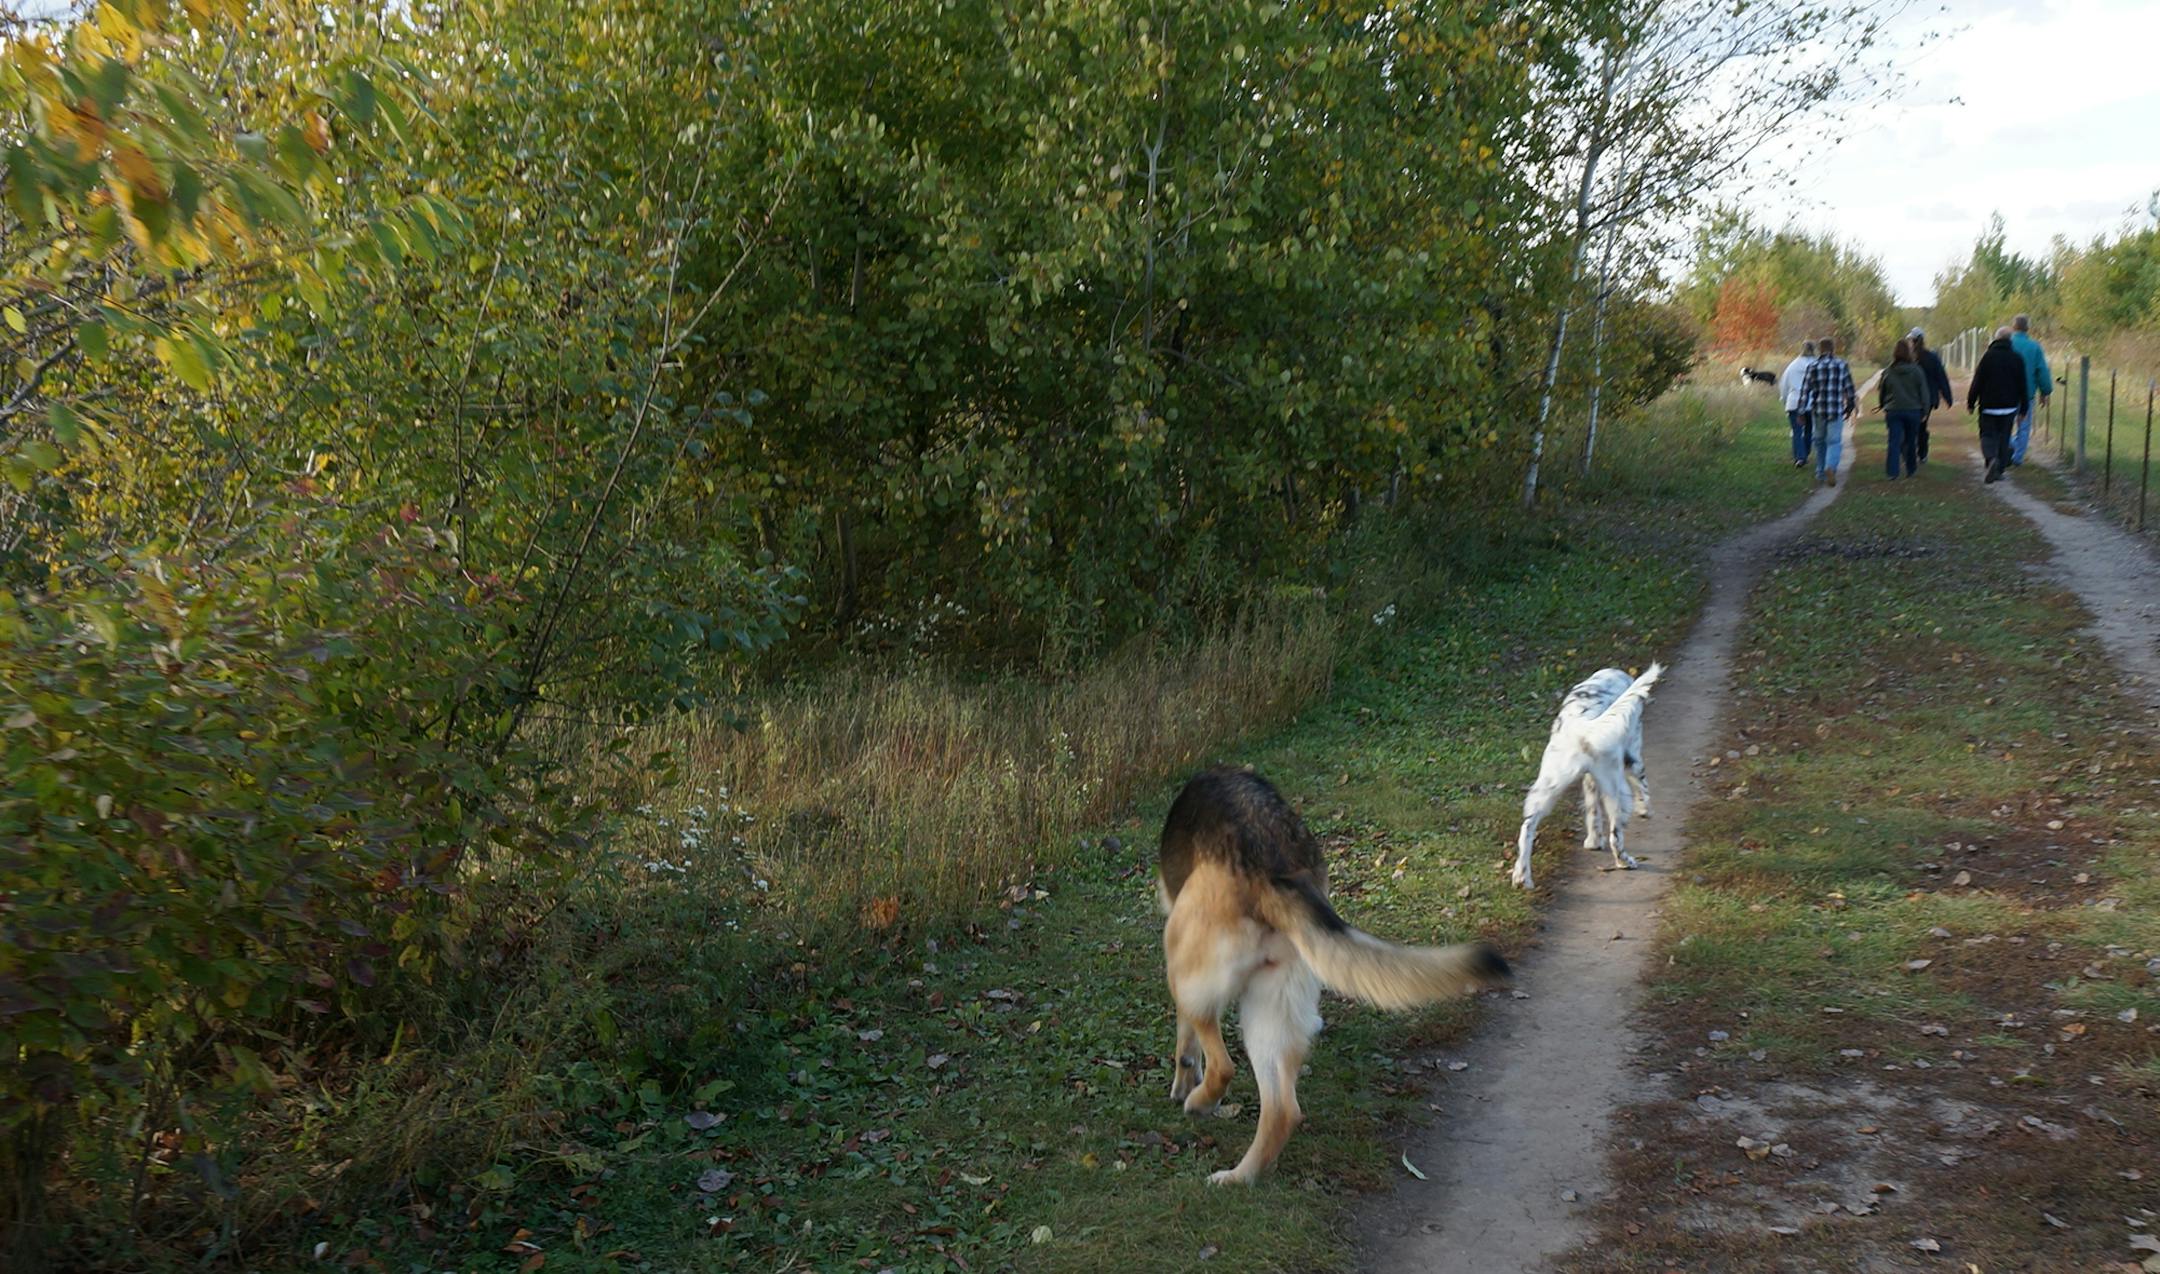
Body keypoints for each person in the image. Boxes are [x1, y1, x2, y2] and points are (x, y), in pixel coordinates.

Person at [1967, 326, 2031, 483]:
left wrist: (1971, 401)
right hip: (2009, 407)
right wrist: (2024, 408)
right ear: (2010, 340)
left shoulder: (1988, 357)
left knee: (1987, 435)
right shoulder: (2017, 358)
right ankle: (1999, 470)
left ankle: (1991, 459)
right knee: (2004, 437)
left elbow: (1978, 381)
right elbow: (2023, 385)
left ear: (1995, 339)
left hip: (1989, 406)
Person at [1799, 335, 1857, 486]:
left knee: (1819, 441)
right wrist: (1850, 406)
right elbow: (1849, 389)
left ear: (1820, 349)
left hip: (1818, 410)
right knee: (1834, 441)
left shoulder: (1812, 366)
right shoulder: (1841, 364)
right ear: (1832, 349)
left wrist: (1800, 411)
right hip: (1835, 409)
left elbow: (1805, 391)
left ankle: (1820, 472)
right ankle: (1830, 467)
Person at [1878, 338, 1928, 480]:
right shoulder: (1917, 371)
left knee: (1894, 441)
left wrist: (1882, 404)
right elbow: (1924, 392)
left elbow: (1883, 391)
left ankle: (1892, 472)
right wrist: (1924, 410)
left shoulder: (1888, 371)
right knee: (1911, 441)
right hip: (1913, 411)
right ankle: (1911, 469)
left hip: (1893, 410)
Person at [2008, 313, 2053, 466]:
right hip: (2027, 394)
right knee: (2024, 427)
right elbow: (2041, 371)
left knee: (2004, 425)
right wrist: (2045, 391)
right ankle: (2017, 457)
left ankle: (2007, 446)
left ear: (2013, 327)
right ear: (2028, 328)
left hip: (2006, 393)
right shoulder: (2034, 347)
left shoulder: (2006, 343)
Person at [1909, 328, 1953, 464]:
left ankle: (1910, 452)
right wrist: (1947, 397)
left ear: (1913, 340)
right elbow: (1941, 377)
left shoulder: (1909, 358)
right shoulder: (1931, 357)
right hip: (1927, 400)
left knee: (1911, 426)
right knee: (1922, 426)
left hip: (1911, 397)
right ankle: (1922, 454)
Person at [1777, 339, 1817, 467]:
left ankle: (1800, 457)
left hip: (1793, 402)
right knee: (1809, 430)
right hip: (1811, 403)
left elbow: (1784, 386)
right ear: (1813, 350)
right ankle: (1805, 453)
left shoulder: (1792, 366)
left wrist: (1784, 400)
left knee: (1797, 431)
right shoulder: (1816, 364)